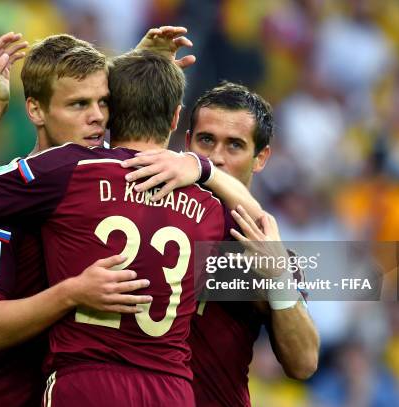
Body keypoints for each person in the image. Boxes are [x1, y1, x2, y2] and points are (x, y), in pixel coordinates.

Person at [0, 32, 155, 406]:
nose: (97, 116)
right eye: (79, 104)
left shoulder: (102, 186)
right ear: (36, 111)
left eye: (103, 102)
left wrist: (148, 71)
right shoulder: (5, 200)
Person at [121, 81, 320, 406]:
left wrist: (278, 278)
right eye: (206, 140)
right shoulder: (140, 211)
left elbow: (304, 362)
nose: (215, 157)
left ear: (261, 158)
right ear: (186, 142)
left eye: (235, 146)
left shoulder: (261, 245)